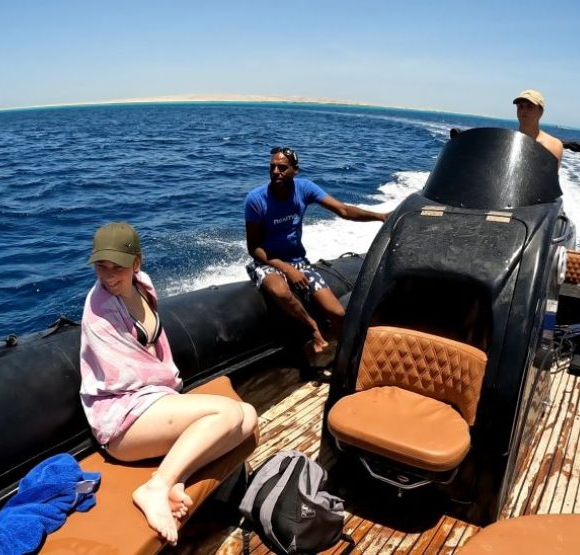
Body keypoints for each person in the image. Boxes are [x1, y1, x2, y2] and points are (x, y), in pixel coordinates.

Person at [79, 222, 258, 545]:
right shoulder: (100, 311)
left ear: (136, 264)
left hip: (151, 401)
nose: (107, 276)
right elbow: (128, 376)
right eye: (100, 267)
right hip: (123, 419)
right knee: (228, 415)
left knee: (247, 416)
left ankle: (177, 477)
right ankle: (156, 487)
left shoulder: (142, 286)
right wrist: (171, 390)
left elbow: (153, 355)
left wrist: (169, 391)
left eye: (116, 267)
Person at [245, 147, 388, 354]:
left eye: (282, 167)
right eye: (272, 167)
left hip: (298, 260)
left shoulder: (304, 188)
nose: (276, 171)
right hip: (268, 260)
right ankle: (313, 329)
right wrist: (286, 269)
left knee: (338, 313)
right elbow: (254, 248)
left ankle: (346, 361)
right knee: (280, 291)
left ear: (295, 170)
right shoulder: (256, 200)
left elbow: (344, 210)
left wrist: (381, 217)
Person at [513, 89, 564, 166]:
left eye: (529, 106)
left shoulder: (553, 144)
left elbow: (549, 175)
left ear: (541, 112)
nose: (524, 110)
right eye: (521, 106)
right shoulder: (507, 141)